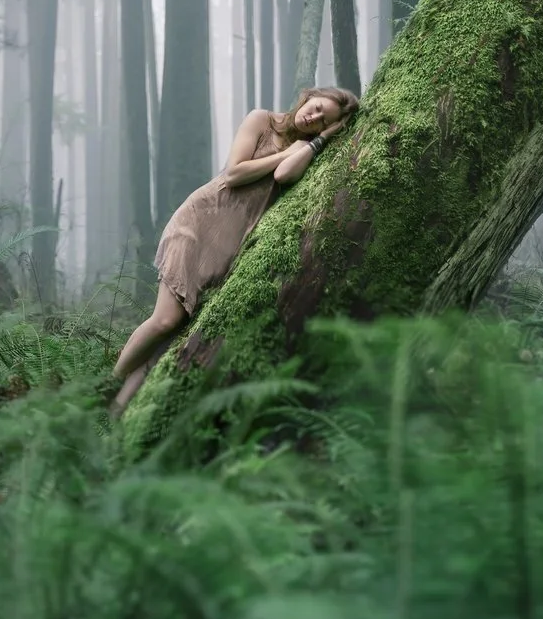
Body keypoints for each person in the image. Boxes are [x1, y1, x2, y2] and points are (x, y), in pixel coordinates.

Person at [111, 86, 360, 409]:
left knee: (169, 341)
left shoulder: (306, 148)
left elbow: (284, 176)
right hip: (199, 224)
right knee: (165, 321)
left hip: (226, 249)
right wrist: (287, 151)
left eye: (321, 120)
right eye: (315, 107)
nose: (311, 117)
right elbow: (234, 173)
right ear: (309, 96)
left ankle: (115, 410)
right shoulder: (262, 120)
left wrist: (318, 141)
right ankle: (108, 381)